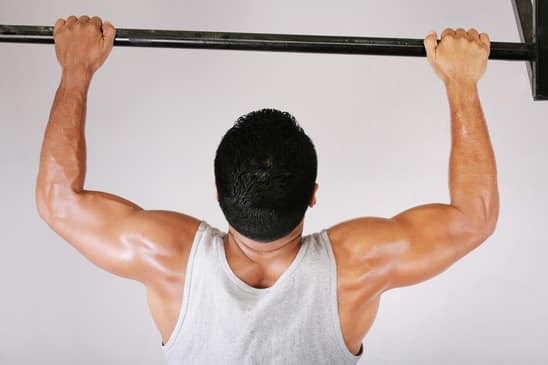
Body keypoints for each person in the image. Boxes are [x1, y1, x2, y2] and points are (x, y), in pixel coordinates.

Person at [35, 15, 499, 365]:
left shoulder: (167, 257)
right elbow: (472, 217)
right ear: (314, 194)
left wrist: (76, 68)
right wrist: (461, 83)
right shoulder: (359, 265)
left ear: (217, 191)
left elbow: (59, 200)